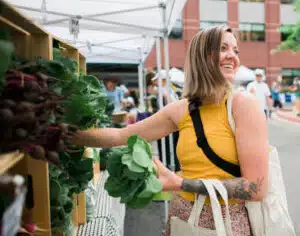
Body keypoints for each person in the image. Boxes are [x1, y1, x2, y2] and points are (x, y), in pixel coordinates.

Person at [72, 26, 269, 236]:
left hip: (227, 224)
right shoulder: (182, 109)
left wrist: (181, 183)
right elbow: (120, 135)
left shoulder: (243, 104)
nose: (233, 56)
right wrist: (66, 134)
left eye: (235, 50)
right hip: (181, 220)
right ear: (201, 56)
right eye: (223, 48)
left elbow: (255, 188)